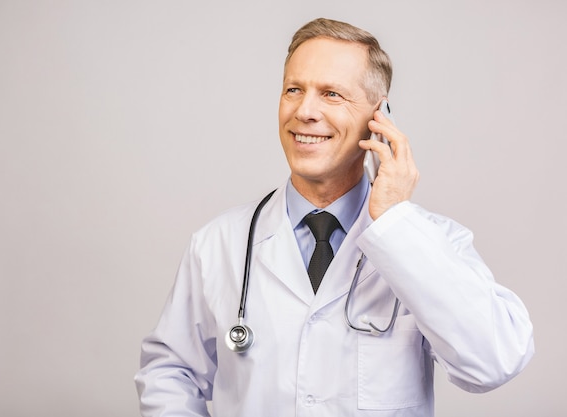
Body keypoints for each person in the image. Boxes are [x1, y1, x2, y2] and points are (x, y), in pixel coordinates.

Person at [134, 17, 534, 417]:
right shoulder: (218, 243)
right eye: (294, 90)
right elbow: (170, 371)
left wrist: (395, 223)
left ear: (381, 117)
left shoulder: (432, 244)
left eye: (331, 94)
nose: (305, 111)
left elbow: (493, 363)